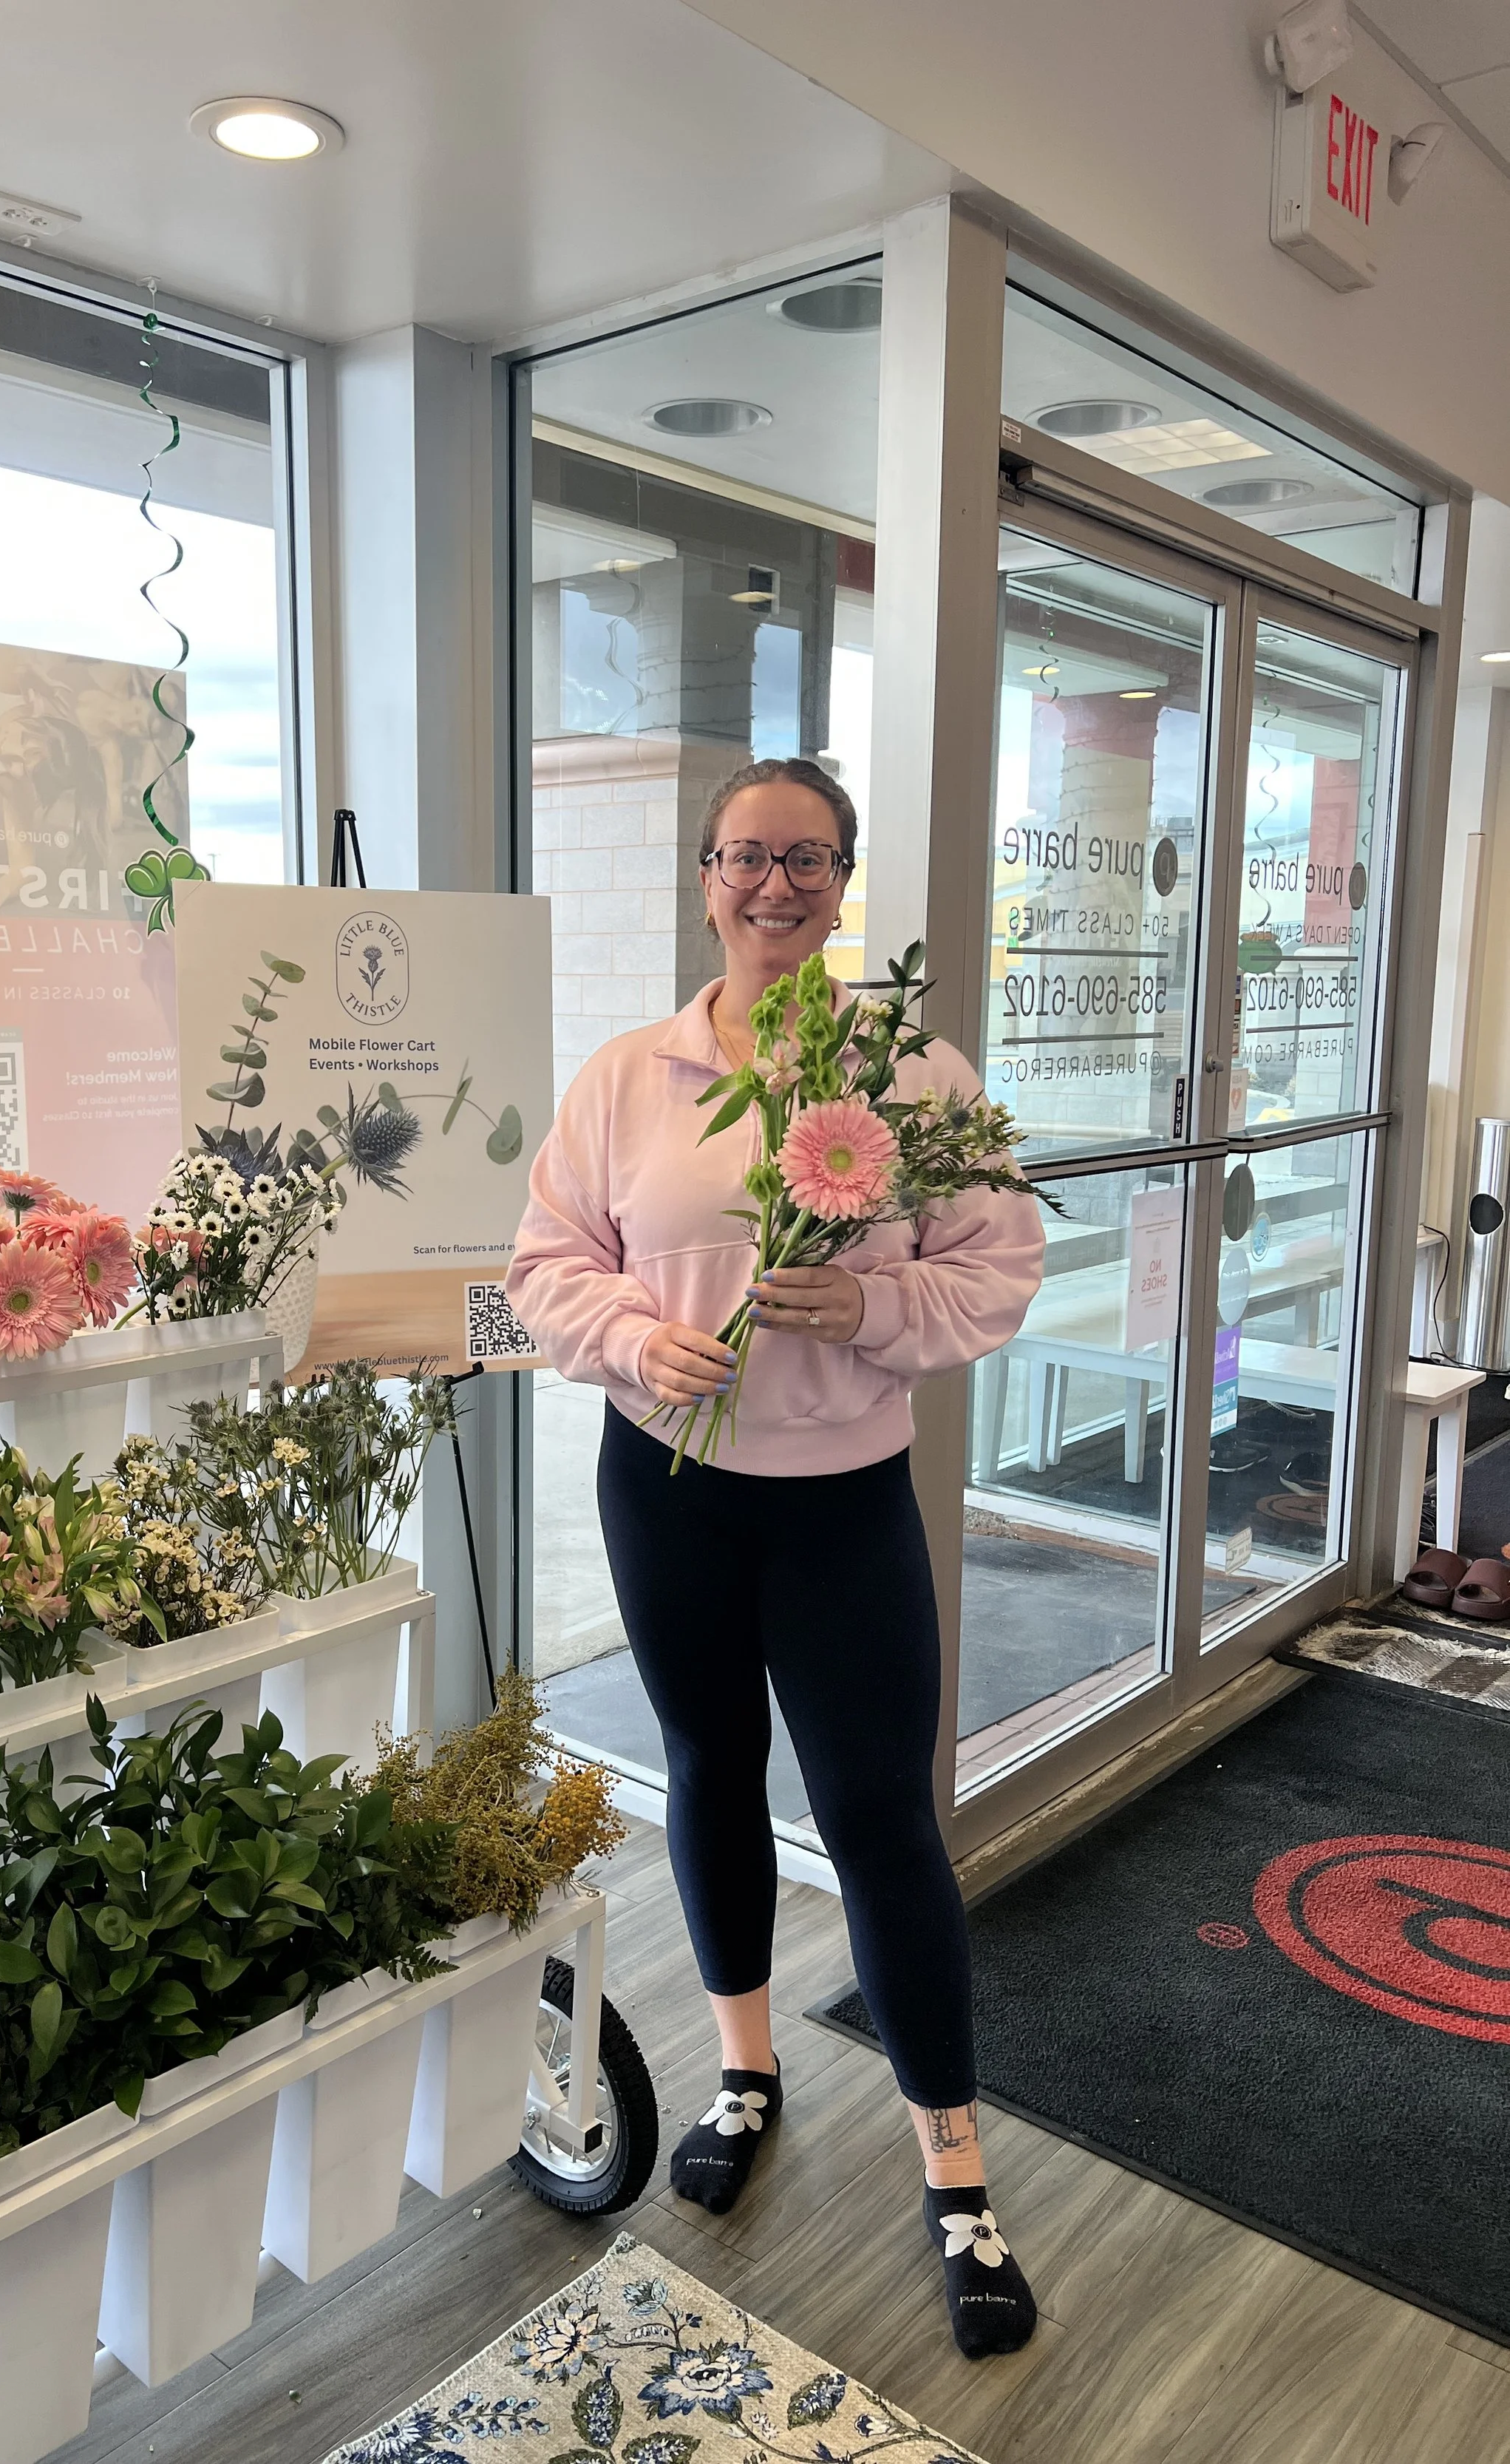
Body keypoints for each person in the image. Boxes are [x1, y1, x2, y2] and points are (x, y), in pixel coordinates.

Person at [506, 756, 1045, 2359]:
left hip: (840, 1502)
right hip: (662, 1488)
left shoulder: (910, 1077)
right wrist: (628, 1335)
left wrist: (866, 1306)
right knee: (706, 1767)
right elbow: (544, 1260)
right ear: (704, 874)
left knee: (880, 1819)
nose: (774, 885)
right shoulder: (625, 1075)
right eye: (746, 856)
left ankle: (954, 2171)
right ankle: (745, 2069)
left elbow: (994, 1269)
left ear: (841, 878)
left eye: (805, 859)